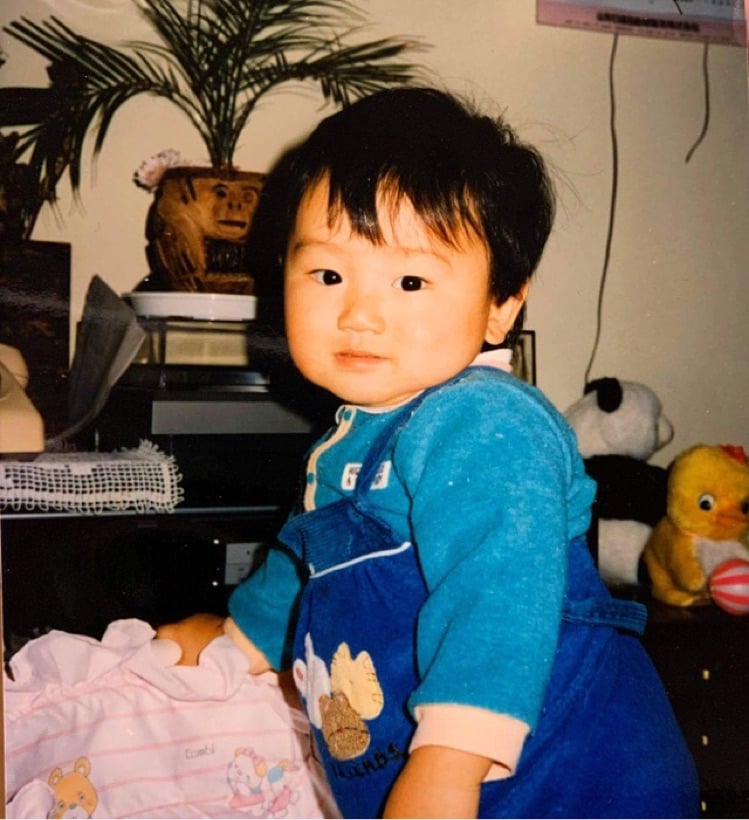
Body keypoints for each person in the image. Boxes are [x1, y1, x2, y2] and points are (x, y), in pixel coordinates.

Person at [158, 87, 699, 819]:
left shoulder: (485, 422)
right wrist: (239, 643)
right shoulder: (352, 435)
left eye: (409, 281)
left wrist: (448, 763)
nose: (359, 313)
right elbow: (307, 562)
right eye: (328, 275)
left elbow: (497, 594)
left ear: (501, 305)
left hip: (563, 777)